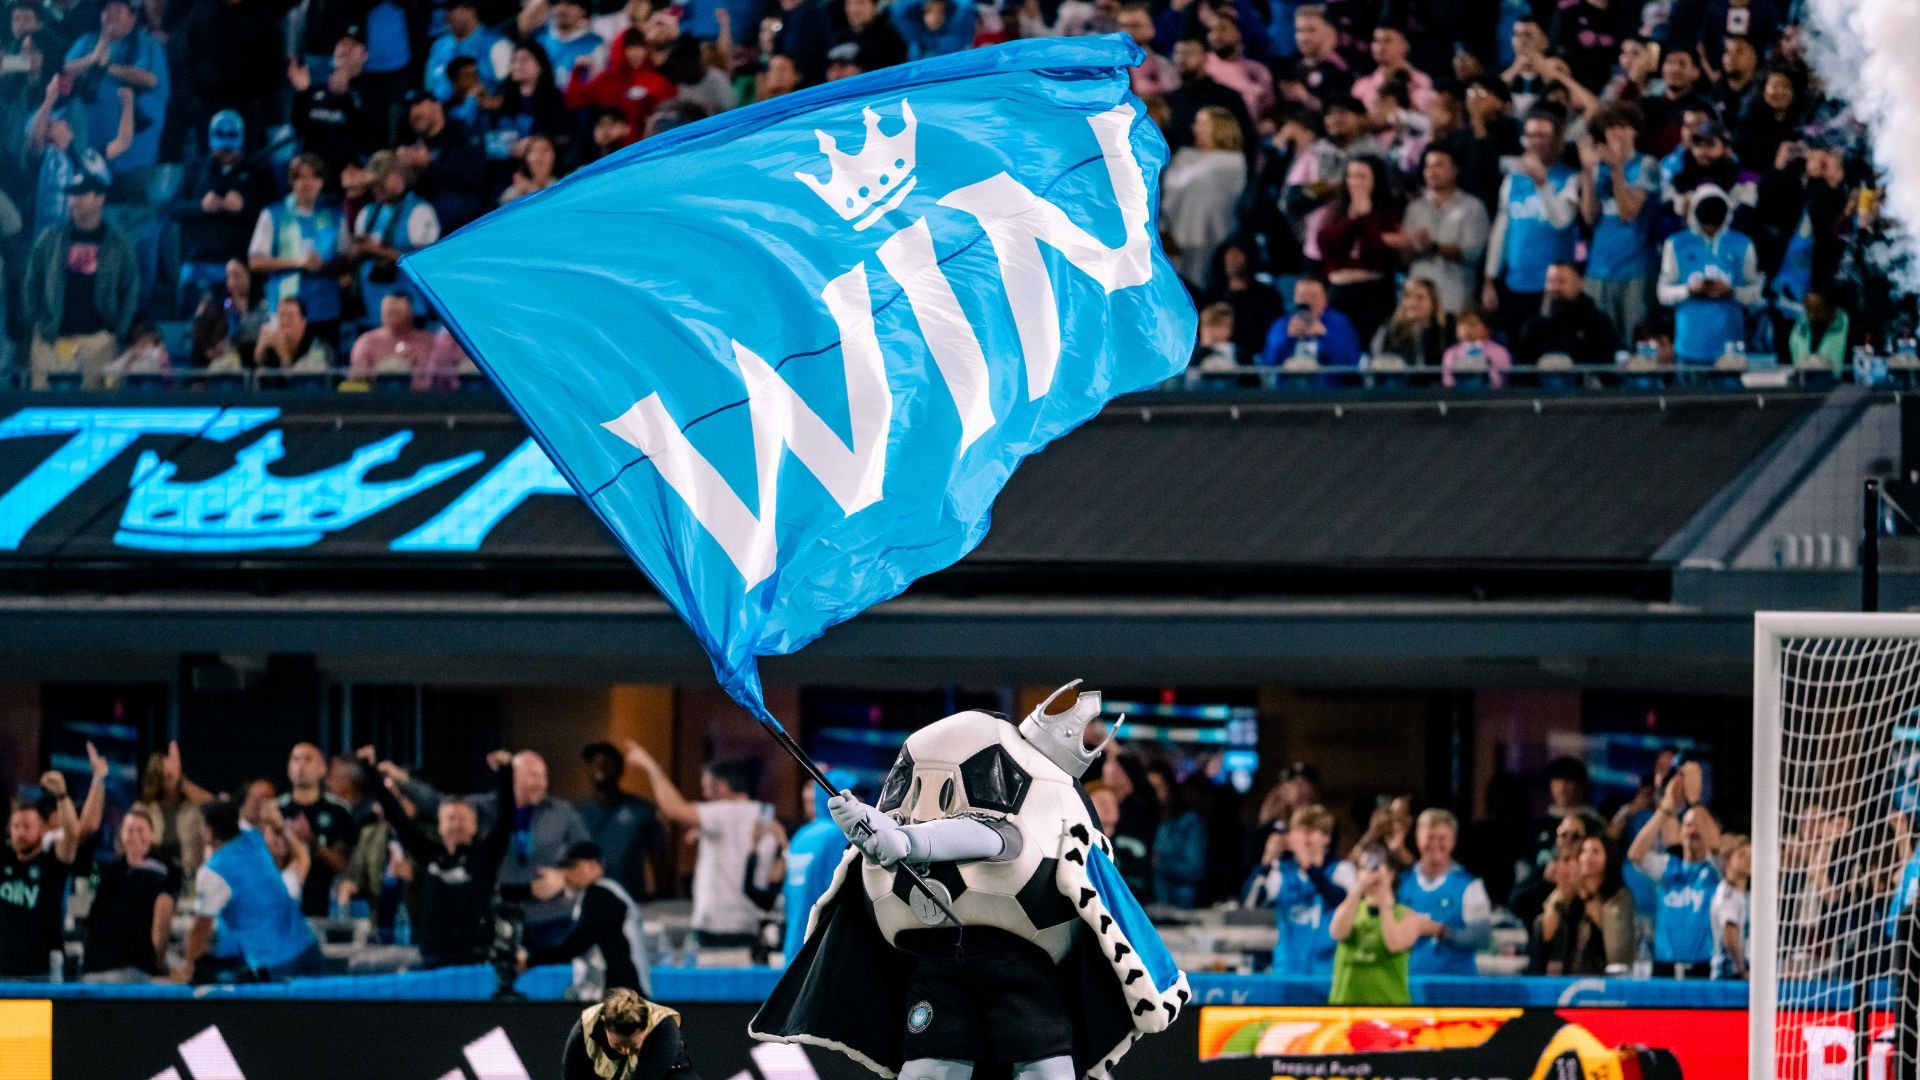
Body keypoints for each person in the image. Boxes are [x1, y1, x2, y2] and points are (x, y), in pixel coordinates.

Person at [755, 682, 1187, 1079]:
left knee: (1045, 1069)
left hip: (1021, 969)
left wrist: (903, 839)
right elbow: (897, 854)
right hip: (938, 966)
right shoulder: (907, 816)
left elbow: (988, 836)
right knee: (927, 1070)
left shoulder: (1019, 819)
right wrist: (871, 828)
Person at [398, 750, 592, 949]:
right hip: (499, 919)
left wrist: (564, 877)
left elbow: (593, 862)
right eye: (532, 776)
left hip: (552, 920)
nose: (540, 783)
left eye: (543, 776)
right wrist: (402, 780)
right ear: (514, 776)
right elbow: (437, 802)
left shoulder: (563, 813)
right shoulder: (484, 808)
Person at [621, 742, 773, 947]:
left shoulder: (725, 811)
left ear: (721, 787)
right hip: (749, 923)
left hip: (717, 926)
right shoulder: (763, 813)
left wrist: (651, 767)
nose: (704, 797)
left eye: (706, 788)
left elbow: (676, 810)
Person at [369, 756, 514, 967]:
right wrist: (372, 772)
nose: (456, 824)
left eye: (463, 818)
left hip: (476, 957)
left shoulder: (486, 855)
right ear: (439, 826)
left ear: (475, 826)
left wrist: (506, 771)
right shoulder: (428, 853)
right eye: (450, 818)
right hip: (432, 955)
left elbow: (506, 817)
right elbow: (398, 817)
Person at [173, 799, 321, 983]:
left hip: (275, 965)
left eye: (202, 824)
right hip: (309, 948)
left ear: (209, 832)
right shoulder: (254, 837)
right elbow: (228, 813)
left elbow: (201, 928)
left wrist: (188, 967)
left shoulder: (213, 871)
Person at [23, 169, 138, 389]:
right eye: (73, 194)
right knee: (42, 410)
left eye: (82, 194)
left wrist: (116, 332)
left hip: (97, 342)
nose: (75, 200)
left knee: (95, 409)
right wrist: (38, 323)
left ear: (100, 198)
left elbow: (130, 289)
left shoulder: (118, 244)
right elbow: (32, 284)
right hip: (51, 339)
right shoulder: (50, 239)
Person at [1, 744, 106, 976]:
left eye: (27, 826)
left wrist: (64, 794)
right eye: (15, 826)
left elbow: (77, 832)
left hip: (37, 971)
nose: (20, 832)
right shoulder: (5, 856)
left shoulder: (52, 858)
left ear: (43, 829)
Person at [1483, 109, 1579, 344]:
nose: (1535, 142)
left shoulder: (1570, 178)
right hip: (1515, 283)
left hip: (1553, 288)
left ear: (1558, 140)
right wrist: (1490, 278)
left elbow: (1562, 221)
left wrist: (1542, 184)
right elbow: (1501, 231)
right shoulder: (1512, 179)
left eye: (1542, 136)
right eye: (1530, 136)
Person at [522, 840, 652, 1000]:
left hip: (627, 1000)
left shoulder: (603, 894)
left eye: (570, 866)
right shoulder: (593, 896)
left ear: (593, 866)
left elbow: (577, 943)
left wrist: (530, 961)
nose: (564, 873)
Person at [172, 110, 270, 315]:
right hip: (199, 259)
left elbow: (272, 215)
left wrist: (244, 208)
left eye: (230, 148)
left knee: (236, 321)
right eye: (221, 148)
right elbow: (172, 209)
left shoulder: (257, 171)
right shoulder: (195, 168)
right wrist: (201, 206)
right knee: (196, 323)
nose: (225, 153)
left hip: (238, 261)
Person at [1627, 766, 1722, 977]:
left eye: (1698, 825)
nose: (1693, 830)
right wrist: (1665, 809)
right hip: (1664, 965)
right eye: (1688, 825)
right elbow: (1636, 855)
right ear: (1680, 832)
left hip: (1703, 967)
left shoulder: (1716, 871)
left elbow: (1716, 846)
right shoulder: (1668, 867)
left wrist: (1695, 803)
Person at [1656, 185, 1761, 367]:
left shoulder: (1743, 244)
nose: (1711, 231)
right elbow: (1663, 294)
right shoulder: (1676, 244)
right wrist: (1689, 290)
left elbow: (1755, 294)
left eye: (1716, 226)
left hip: (1730, 348)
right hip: (1688, 344)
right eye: (1706, 227)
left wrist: (1732, 291)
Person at [249, 154, 350, 342]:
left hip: (325, 307)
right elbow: (256, 261)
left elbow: (345, 260)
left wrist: (323, 266)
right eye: (301, 177)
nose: (307, 183)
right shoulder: (273, 214)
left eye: (314, 177)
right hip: (285, 308)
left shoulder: (336, 216)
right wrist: (298, 262)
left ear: (321, 182)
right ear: (291, 181)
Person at [1579, 104, 1658, 342]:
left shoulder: (1647, 165)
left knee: (1635, 340)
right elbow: (1589, 216)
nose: (1617, 133)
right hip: (1598, 268)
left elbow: (1628, 212)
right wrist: (1588, 171)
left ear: (1634, 131)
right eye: (1611, 127)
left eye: (1624, 126)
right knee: (1599, 341)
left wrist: (1617, 169)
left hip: (1636, 268)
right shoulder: (1596, 166)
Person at [59, 0, 166, 174]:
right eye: (107, 9)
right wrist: (92, 59)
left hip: (131, 155)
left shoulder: (147, 44)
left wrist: (108, 66)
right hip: (84, 148)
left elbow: (150, 79)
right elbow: (64, 69)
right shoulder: (88, 40)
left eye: (117, 9)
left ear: (132, 17)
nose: (110, 13)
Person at [81, 804, 180, 979]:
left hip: (127, 968)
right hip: (106, 968)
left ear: (153, 834)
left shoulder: (164, 869)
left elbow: (161, 920)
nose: (135, 836)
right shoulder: (111, 870)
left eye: (141, 830)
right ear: (122, 835)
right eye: (130, 830)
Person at [1314, 155, 1401, 345]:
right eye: (1351, 176)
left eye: (1362, 177)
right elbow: (1327, 247)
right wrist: (1356, 220)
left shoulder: (1389, 212)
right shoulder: (1336, 211)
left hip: (1374, 293)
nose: (1355, 183)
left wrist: (1367, 219)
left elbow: (1379, 255)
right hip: (1340, 291)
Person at [1396, 809, 1491, 976]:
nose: (1435, 844)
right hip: (1407, 984)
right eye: (1430, 837)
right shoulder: (1401, 883)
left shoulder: (1470, 886)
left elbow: (1481, 937)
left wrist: (1438, 930)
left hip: (1455, 987)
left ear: (1453, 841)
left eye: (1442, 839)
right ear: (1418, 838)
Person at [1160, 105, 1246, 290]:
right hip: (1171, 236)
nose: (1195, 128)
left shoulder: (1233, 163)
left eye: (1201, 124)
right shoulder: (1183, 156)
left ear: (1220, 127)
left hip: (1211, 239)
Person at [1398, 146, 1489, 317]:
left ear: (1455, 170)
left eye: (1438, 165)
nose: (1431, 172)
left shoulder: (1472, 207)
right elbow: (1405, 259)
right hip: (1418, 304)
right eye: (1428, 166)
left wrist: (1431, 246)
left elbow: (1471, 253)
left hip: (1454, 301)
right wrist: (1403, 246)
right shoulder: (1415, 207)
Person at [1328, 841, 1419, 1005]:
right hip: (1345, 1009)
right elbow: (1337, 932)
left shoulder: (1407, 916)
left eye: (1376, 867)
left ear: (1390, 873)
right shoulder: (1351, 909)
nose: (1371, 873)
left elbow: (1394, 943)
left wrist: (1385, 899)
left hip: (1389, 1010)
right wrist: (1358, 887)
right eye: (1364, 868)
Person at [351, 150, 441, 314]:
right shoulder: (368, 212)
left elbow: (425, 262)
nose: (376, 188)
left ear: (397, 176)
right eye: (373, 183)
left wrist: (380, 252)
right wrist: (357, 250)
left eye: (381, 181)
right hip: (372, 306)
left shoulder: (420, 210)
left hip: (412, 309)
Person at [577, 742, 668, 904]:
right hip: (586, 902)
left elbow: (659, 856)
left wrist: (660, 895)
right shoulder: (575, 813)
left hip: (631, 900)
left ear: (620, 770)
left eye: (606, 763)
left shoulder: (642, 810)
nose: (600, 766)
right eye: (594, 763)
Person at [1535, 833, 1635, 976]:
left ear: (1609, 858)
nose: (1587, 857)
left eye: (1595, 852)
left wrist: (1583, 890)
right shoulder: (1569, 894)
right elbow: (1547, 933)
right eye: (1583, 851)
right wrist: (1562, 890)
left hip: (1604, 980)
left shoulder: (1619, 896)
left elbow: (1610, 931)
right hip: (1569, 981)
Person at [781, 769, 852, 964]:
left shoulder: (800, 836)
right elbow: (842, 893)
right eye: (851, 794)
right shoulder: (839, 835)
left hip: (794, 950)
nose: (858, 801)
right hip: (822, 955)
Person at [1271, 804, 1346, 978]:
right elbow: (1251, 901)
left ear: (1327, 837)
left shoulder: (1341, 870)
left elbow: (1341, 900)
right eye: (1299, 831)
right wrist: (1267, 861)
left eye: (1311, 832)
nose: (1304, 839)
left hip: (1328, 974)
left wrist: (1308, 866)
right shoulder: (1281, 872)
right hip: (1287, 972)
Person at [561, 986, 698, 1080]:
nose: (625, 1051)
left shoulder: (664, 1029)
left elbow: (646, 1077)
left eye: (631, 1044)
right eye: (619, 1044)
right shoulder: (583, 1029)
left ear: (646, 1029)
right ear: (605, 1025)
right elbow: (571, 1075)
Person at [1515, 262, 1619, 366]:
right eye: (1551, 281)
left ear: (1580, 283)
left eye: (1562, 282)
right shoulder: (1534, 325)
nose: (1554, 287)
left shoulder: (1597, 322)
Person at [137, 740, 212, 876]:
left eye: (170, 775)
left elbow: (215, 808)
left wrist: (180, 781)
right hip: (154, 878)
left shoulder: (192, 809)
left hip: (188, 880)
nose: (168, 779)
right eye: (164, 776)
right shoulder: (146, 810)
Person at [1260, 276, 1362, 370]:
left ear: (1325, 299)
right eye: (1303, 296)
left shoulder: (1339, 322)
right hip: (1289, 388)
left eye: (1313, 296)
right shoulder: (1281, 325)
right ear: (1295, 299)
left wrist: (1323, 335)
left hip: (1330, 388)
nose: (1307, 301)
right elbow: (1268, 363)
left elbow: (1350, 363)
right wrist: (1287, 337)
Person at [348, 292, 438, 385]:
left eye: (398, 312)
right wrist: (384, 369)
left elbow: (442, 374)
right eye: (390, 312)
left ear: (411, 314)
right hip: (378, 396)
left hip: (424, 396)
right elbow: (357, 380)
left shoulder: (429, 341)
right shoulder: (367, 341)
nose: (394, 318)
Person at [1371, 277, 1448, 368]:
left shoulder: (1446, 330)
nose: (1412, 303)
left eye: (1420, 298)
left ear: (1433, 302)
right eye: (1407, 296)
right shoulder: (1390, 329)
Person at [1440, 308, 1511, 387]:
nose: (1466, 329)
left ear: (1487, 329)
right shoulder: (1450, 353)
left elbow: (1500, 381)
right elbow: (1447, 381)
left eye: (1472, 324)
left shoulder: (1499, 352)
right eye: (1461, 324)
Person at [1711, 833, 1749, 979]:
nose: (1748, 860)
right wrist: (1742, 971)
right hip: (1729, 976)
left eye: (1752, 856)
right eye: (1741, 855)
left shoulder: (1745, 895)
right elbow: (1730, 934)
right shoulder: (1728, 894)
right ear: (1727, 861)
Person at [1787, 288, 1848, 377]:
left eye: (1818, 311)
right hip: (1803, 386)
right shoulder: (1799, 328)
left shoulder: (1850, 328)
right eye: (1808, 310)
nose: (1812, 316)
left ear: (1832, 308)